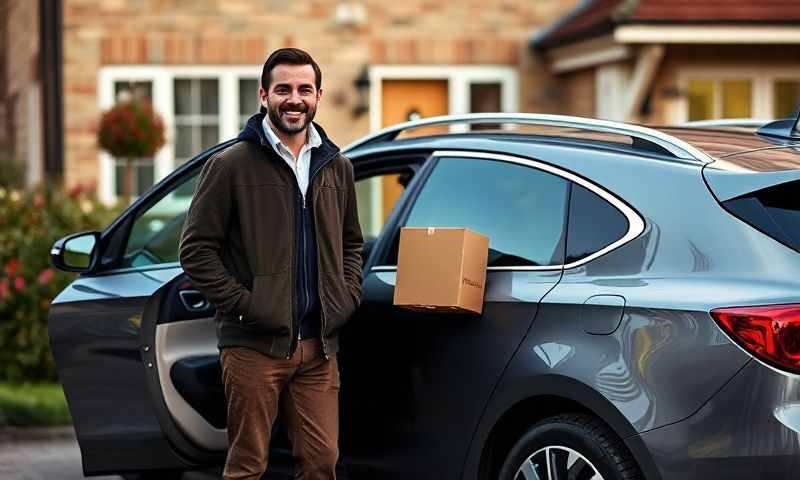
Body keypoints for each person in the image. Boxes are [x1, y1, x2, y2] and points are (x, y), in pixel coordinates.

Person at [179, 47, 363, 480]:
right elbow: (196, 250)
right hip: (252, 348)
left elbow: (351, 244)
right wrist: (247, 305)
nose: (293, 99)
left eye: (304, 89)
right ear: (264, 95)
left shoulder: (338, 168)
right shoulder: (229, 165)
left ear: (318, 96)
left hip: (319, 350)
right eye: (283, 89)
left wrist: (345, 298)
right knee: (247, 465)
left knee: (321, 464)